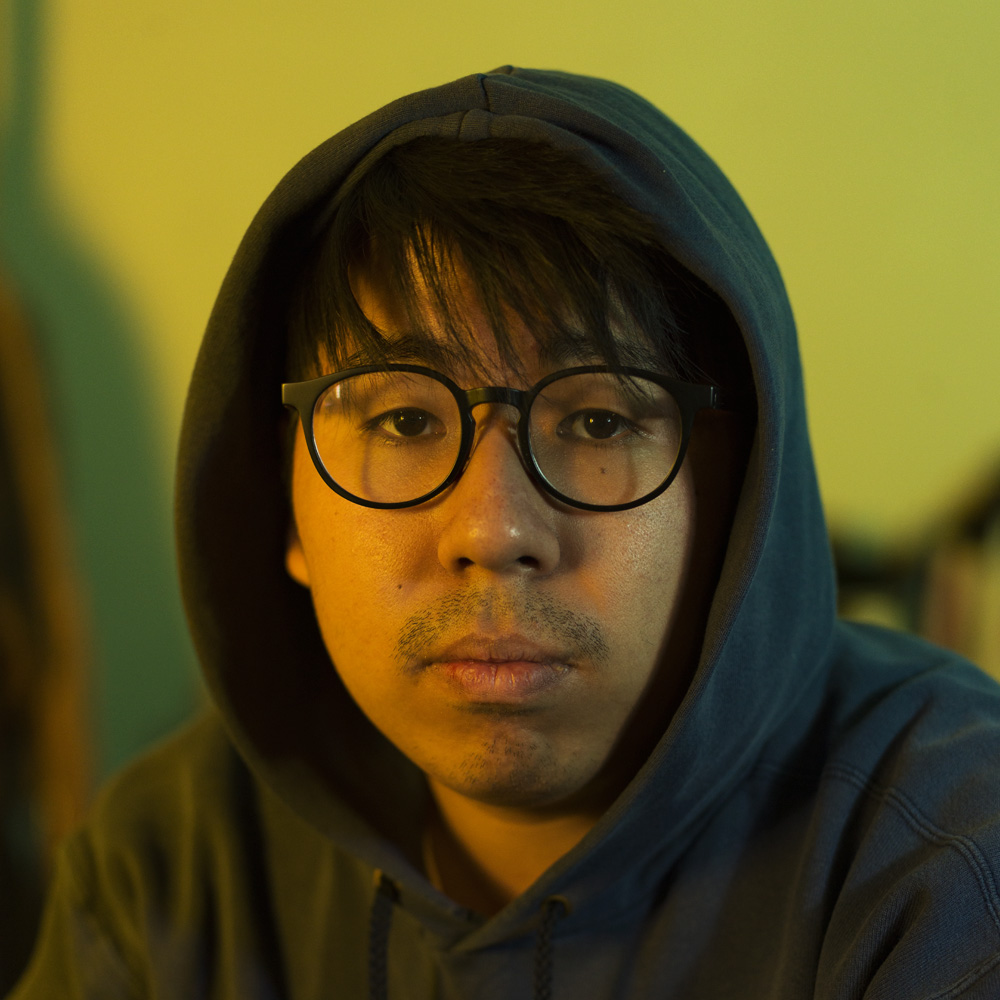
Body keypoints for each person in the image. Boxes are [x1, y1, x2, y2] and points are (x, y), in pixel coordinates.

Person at [10, 66, 1000, 999]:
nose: (492, 529)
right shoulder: (174, 868)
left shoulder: (945, 854)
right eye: (404, 421)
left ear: (741, 495)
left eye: (598, 422)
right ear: (287, 502)